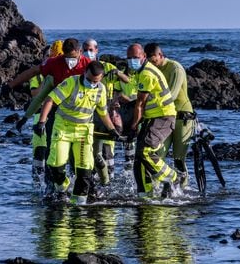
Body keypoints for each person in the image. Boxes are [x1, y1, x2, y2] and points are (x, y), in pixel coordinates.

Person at [35, 61, 121, 204]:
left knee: (85, 169)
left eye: (96, 81)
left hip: (83, 131)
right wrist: (42, 122)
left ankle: (79, 204)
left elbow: (103, 112)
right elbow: (50, 100)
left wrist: (112, 130)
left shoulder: (101, 89)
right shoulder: (71, 83)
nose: (92, 83)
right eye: (89, 80)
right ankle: (63, 186)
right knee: (56, 163)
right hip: (63, 128)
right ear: (85, 72)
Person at [127, 43, 179, 199]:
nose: (131, 61)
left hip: (164, 116)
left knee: (145, 151)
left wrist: (134, 126)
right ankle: (145, 194)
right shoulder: (138, 71)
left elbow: (140, 104)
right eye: (129, 58)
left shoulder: (147, 74)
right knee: (139, 159)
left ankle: (171, 177)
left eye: (135, 58)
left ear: (143, 56)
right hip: (152, 117)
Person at [144, 43, 195, 189]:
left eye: (153, 60)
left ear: (160, 55)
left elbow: (171, 95)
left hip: (182, 117)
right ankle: (159, 186)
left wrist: (146, 105)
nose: (151, 64)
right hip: (163, 117)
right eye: (148, 61)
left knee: (179, 158)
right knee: (157, 155)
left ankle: (183, 188)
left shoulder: (175, 68)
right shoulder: (150, 70)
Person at [82, 38, 129, 185]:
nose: (88, 52)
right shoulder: (81, 66)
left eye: (91, 49)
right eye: (85, 49)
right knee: (91, 147)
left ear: (97, 50)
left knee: (108, 147)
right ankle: (93, 177)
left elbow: (127, 80)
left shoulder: (107, 66)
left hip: (107, 110)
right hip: (88, 110)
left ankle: (109, 179)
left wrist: (117, 72)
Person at [29, 40, 63, 183]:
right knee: (40, 150)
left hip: (59, 116)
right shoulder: (37, 75)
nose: (50, 59)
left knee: (55, 150)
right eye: (47, 56)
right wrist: (46, 82)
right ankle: (37, 182)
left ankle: (54, 181)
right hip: (40, 115)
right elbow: (35, 94)